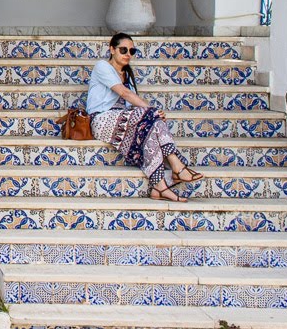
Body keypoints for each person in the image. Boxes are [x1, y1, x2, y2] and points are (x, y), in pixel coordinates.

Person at [86, 32, 204, 202]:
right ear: (112, 49)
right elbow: (124, 93)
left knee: (152, 131)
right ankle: (177, 165)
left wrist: (152, 114)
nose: (128, 54)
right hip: (102, 119)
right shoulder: (102, 66)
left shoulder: (128, 75)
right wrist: (151, 110)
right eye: (123, 50)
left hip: (123, 120)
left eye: (131, 51)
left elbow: (131, 103)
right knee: (152, 116)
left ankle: (160, 188)